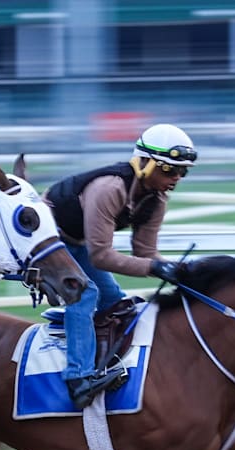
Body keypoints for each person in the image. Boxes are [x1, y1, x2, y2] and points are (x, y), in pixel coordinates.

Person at [43, 123, 196, 408]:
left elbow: (146, 252)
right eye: (169, 170)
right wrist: (155, 268)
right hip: (44, 241)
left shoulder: (157, 200)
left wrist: (180, 271)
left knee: (114, 301)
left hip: (78, 243)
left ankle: (104, 359)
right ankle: (79, 378)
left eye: (182, 172)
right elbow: (102, 256)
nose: (176, 178)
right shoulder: (109, 188)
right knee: (85, 293)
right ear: (145, 163)